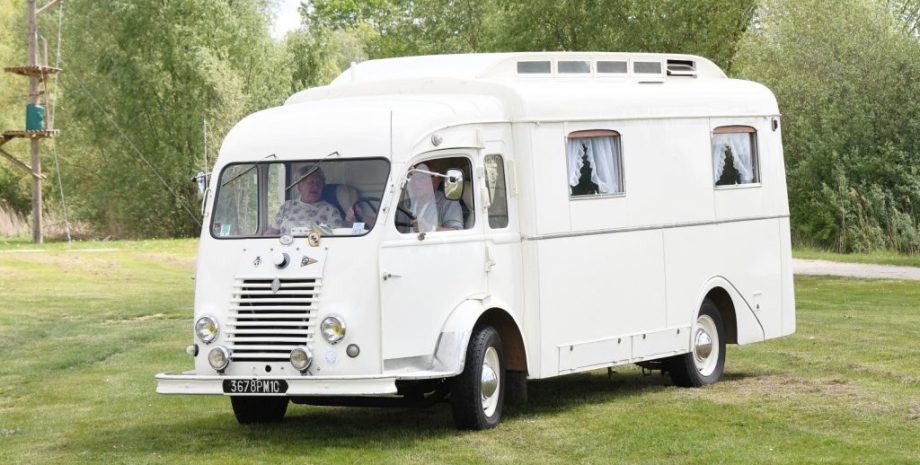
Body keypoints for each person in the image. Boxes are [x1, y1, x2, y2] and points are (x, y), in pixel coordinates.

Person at [264, 166, 353, 236]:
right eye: (311, 182)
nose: (315, 186)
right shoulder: (287, 206)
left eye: (319, 183)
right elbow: (272, 231)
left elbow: (337, 238)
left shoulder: (330, 210)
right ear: (300, 186)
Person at [399, 162, 463, 232]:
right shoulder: (404, 205)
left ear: (436, 181)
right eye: (414, 178)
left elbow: (457, 232)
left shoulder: (448, 202)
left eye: (422, 178)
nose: (416, 183)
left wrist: (431, 229)